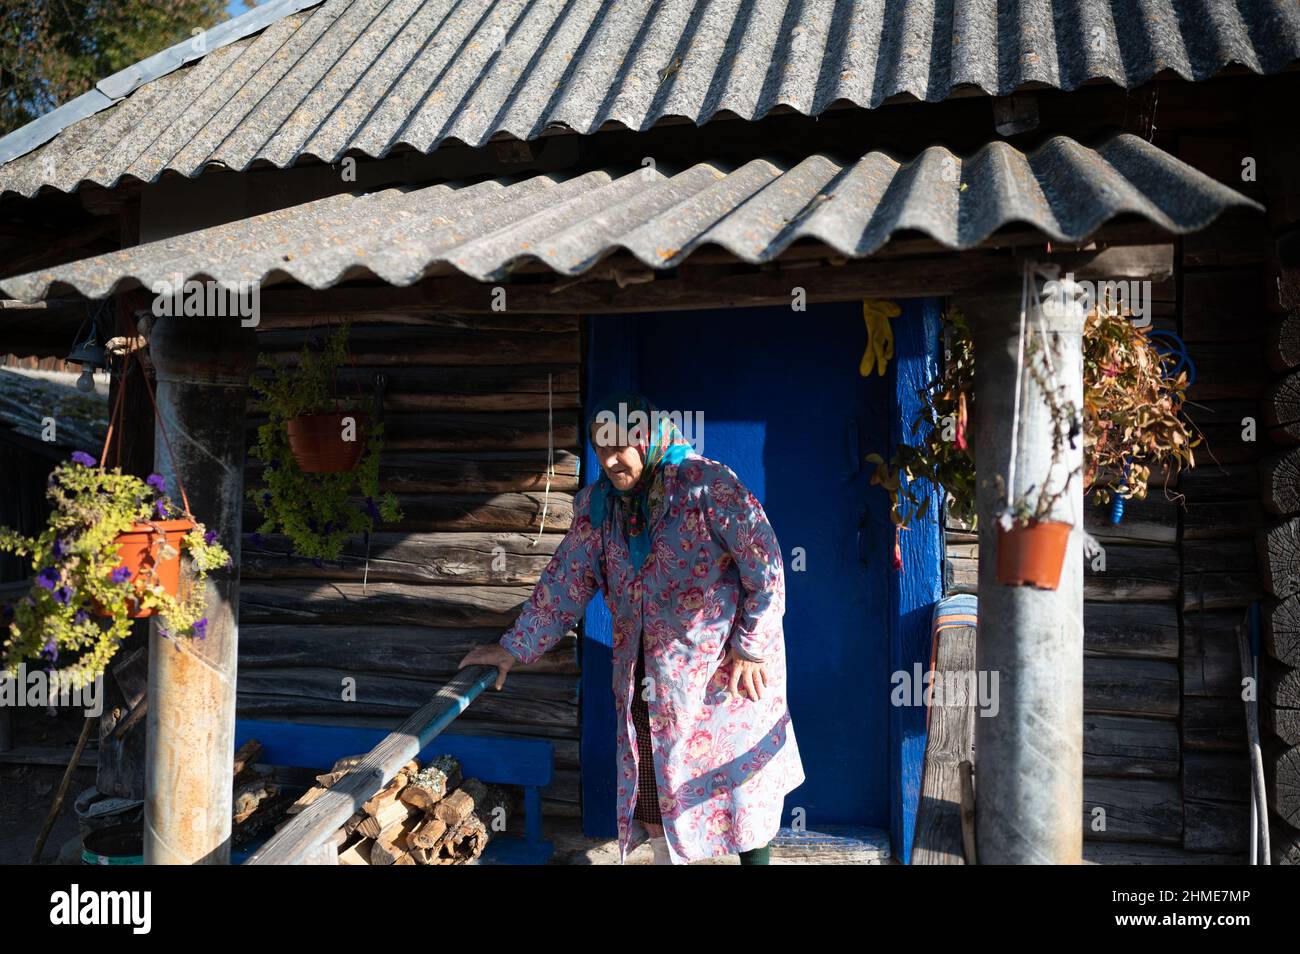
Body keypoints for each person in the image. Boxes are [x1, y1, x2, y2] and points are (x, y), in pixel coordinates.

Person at [458, 392, 804, 864]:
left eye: (622, 445)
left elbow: (765, 567)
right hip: (649, 680)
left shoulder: (706, 486)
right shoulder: (600, 509)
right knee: (657, 790)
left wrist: (751, 646)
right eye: (601, 448)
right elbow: (565, 583)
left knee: (741, 792)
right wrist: (513, 649)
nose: (612, 460)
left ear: (647, 439)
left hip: (725, 671)